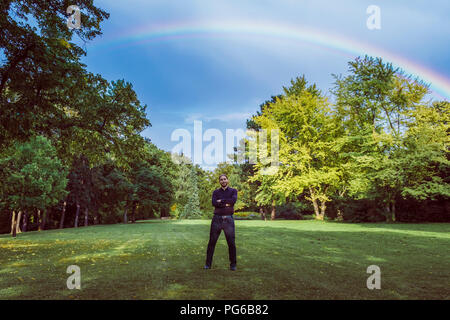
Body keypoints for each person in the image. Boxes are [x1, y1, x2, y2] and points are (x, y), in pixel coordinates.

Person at [204, 174, 238, 271]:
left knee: (231, 243)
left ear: (228, 180)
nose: (223, 181)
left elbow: (233, 201)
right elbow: (214, 203)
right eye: (221, 180)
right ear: (219, 181)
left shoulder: (233, 191)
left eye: (225, 179)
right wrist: (226, 203)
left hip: (228, 220)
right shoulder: (215, 192)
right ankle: (208, 264)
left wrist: (221, 202)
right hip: (217, 220)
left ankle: (233, 265)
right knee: (211, 242)